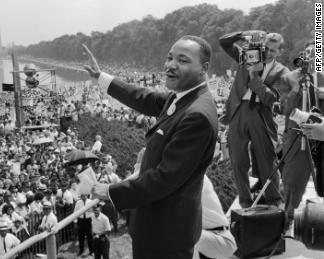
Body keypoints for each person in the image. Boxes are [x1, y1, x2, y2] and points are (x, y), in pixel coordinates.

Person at [85, 35, 218, 258]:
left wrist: (111, 191)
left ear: (203, 68)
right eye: (169, 58)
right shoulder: (183, 97)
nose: (171, 65)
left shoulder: (197, 115)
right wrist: (102, 78)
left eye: (183, 60)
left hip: (166, 233)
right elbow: (143, 97)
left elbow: (164, 178)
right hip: (159, 225)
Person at [219, 30, 289, 208]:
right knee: (238, 160)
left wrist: (254, 77)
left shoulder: (282, 72)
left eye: (273, 50)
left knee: (267, 159)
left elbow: (271, 98)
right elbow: (224, 42)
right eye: (266, 48)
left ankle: (274, 201)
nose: (268, 52)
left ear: (280, 52)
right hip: (238, 110)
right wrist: (243, 34)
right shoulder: (246, 56)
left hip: (261, 114)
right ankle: (245, 202)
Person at [278, 41, 324, 227]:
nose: (312, 56)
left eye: (316, 53)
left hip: (321, 133)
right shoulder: (288, 78)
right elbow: (284, 108)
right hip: (297, 134)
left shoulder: (322, 77)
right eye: (308, 53)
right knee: (294, 177)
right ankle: (288, 217)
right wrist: (297, 88)